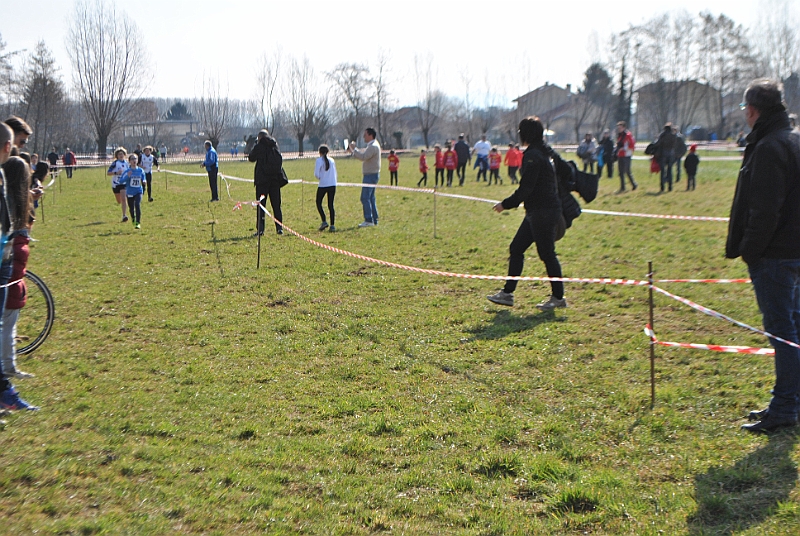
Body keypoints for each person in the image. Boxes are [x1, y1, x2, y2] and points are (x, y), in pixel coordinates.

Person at [727, 79, 800, 433]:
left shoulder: (770, 147)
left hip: (776, 255)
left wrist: (750, 251)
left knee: (783, 332)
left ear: (753, 110)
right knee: (792, 329)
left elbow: (765, 210)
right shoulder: (793, 139)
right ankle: (788, 402)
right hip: (792, 251)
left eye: (745, 109)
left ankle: (785, 407)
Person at [486, 116, 566, 311]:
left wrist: (505, 204)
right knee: (516, 248)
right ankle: (507, 294)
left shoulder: (533, 156)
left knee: (547, 254)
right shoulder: (542, 152)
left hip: (543, 213)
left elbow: (526, 189)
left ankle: (558, 297)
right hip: (537, 212)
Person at [0, 147, 37, 411]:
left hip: (14, 273)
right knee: (6, 324)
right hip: (9, 272)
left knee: (9, 323)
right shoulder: (9, 206)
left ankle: (8, 370)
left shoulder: (17, 204)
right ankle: (7, 371)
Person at [248, 129, 284, 235]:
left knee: (261, 206)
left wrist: (255, 145)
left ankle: (260, 230)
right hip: (275, 180)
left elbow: (251, 157)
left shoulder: (260, 146)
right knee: (276, 206)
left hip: (262, 181)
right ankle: (279, 228)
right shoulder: (274, 145)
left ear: (259, 138)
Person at [349, 127, 381, 227]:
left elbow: (363, 157)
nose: (364, 137)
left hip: (370, 175)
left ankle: (369, 220)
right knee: (371, 198)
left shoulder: (373, 147)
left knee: (365, 197)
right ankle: (374, 219)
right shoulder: (373, 145)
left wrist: (354, 149)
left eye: (365, 134)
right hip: (372, 174)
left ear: (370, 135)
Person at [119, 154, 146, 229]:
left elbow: (144, 177)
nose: (134, 160)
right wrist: (127, 176)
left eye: (135, 159)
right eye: (132, 159)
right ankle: (133, 218)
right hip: (130, 192)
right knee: (131, 208)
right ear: (130, 161)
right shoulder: (127, 171)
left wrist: (144, 181)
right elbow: (120, 181)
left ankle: (138, 222)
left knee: (137, 204)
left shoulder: (140, 170)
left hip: (138, 191)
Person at [314, 144, 337, 232]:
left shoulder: (319, 160)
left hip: (323, 184)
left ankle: (324, 220)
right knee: (330, 205)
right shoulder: (332, 160)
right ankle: (332, 225)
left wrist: (320, 178)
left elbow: (316, 174)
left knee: (318, 202)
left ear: (320, 152)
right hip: (332, 184)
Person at [106, 147, 130, 222]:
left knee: (123, 199)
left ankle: (124, 215)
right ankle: (123, 211)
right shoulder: (115, 163)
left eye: (122, 154)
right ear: (117, 155)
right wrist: (116, 173)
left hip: (123, 183)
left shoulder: (126, 163)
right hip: (115, 183)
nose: (121, 155)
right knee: (119, 201)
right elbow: (108, 173)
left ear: (124, 155)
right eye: (119, 154)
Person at [615, 121, 637, 192]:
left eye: (620, 128)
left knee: (627, 171)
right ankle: (622, 187)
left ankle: (634, 184)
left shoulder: (628, 135)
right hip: (620, 155)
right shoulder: (619, 135)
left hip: (626, 155)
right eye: (618, 128)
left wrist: (623, 148)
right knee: (621, 172)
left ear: (624, 127)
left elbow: (632, 145)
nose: (619, 129)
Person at [654, 123, 677, 192]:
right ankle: (670, 187)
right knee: (670, 171)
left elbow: (657, 143)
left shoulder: (663, 135)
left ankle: (662, 187)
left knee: (663, 171)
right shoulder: (673, 136)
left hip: (663, 155)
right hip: (671, 155)